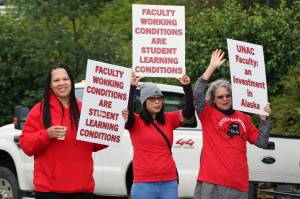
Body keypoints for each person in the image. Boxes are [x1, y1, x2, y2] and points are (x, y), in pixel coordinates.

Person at [19, 63, 107, 199]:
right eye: (56, 80)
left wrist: (113, 126)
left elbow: (97, 144)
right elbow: (26, 145)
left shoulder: (86, 110)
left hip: (83, 189)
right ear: (50, 85)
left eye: (65, 79)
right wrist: (47, 134)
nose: (61, 83)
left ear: (71, 81)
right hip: (49, 191)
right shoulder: (40, 110)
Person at [193, 49, 272, 199]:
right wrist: (211, 67)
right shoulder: (208, 114)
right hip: (213, 181)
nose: (225, 99)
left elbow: (262, 142)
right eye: (220, 96)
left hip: (239, 183)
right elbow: (197, 94)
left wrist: (264, 119)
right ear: (213, 100)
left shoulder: (244, 117)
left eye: (228, 95)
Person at [121, 72, 195, 199]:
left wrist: (187, 87)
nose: (157, 102)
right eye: (152, 99)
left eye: (159, 98)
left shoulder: (169, 118)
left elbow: (188, 112)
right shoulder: (136, 121)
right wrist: (132, 87)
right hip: (143, 183)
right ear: (144, 101)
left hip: (169, 182)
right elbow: (129, 111)